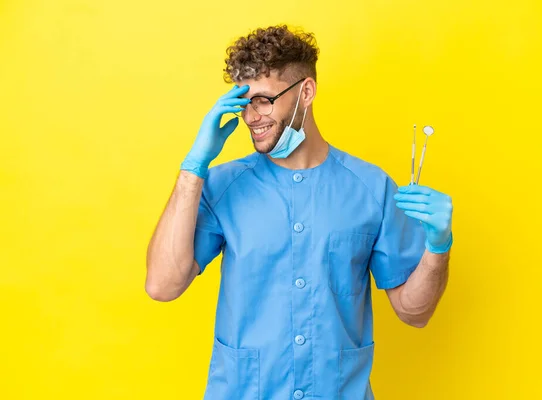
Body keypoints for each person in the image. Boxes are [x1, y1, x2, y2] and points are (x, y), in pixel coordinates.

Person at [146, 25, 453, 400]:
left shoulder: (371, 188)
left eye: (263, 100)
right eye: (243, 103)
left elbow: (414, 312)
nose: (250, 116)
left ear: (305, 92)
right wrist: (194, 167)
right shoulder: (224, 186)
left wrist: (438, 247)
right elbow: (162, 286)